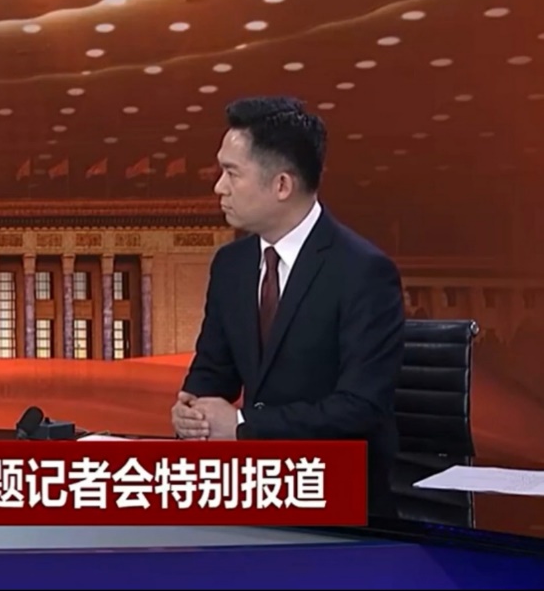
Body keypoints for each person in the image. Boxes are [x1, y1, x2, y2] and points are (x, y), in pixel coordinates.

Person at [172, 96, 406, 519]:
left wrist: (242, 427)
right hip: (252, 491)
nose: (219, 187)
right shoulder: (231, 265)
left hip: (339, 502)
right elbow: (212, 371)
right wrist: (193, 412)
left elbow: (360, 408)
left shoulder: (363, 271)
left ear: (281, 185)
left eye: (231, 173)